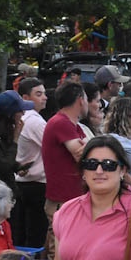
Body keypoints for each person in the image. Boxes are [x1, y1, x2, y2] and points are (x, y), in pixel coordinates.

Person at [42, 82, 89, 231]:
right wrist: (90, 145)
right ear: (80, 100)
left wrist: (88, 145)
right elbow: (81, 155)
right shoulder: (61, 123)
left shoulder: (74, 126)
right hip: (62, 201)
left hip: (72, 198)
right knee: (59, 249)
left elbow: (87, 149)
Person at [14, 77, 50, 248]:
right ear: (25, 98)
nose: (44, 97)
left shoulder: (26, 118)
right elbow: (54, 147)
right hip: (35, 184)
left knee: (23, 234)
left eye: (44, 93)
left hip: (25, 183)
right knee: (35, 236)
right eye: (39, 94)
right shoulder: (34, 120)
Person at [0, 90, 33, 199]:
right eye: (20, 111)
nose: (23, 113)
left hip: (9, 191)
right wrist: (15, 140)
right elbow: (3, 166)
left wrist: (18, 167)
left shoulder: (5, 132)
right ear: (10, 114)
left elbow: (6, 160)